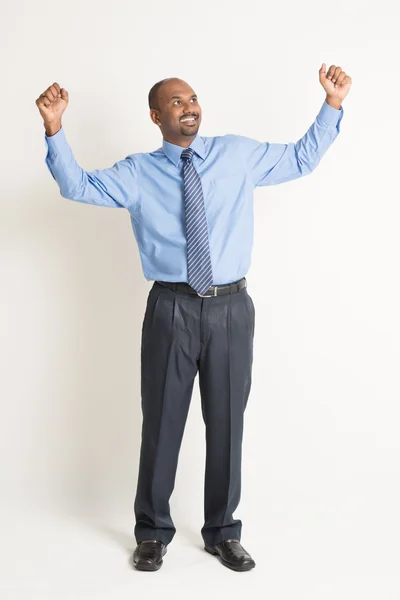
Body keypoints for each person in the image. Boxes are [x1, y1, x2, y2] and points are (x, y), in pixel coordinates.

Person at [35, 64, 352, 572]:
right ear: (157, 116)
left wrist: (331, 105)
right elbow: (77, 186)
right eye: (177, 102)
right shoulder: (138, 172)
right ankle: (153, 532)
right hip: (171, 307)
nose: (189, 106)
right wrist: (55, 128)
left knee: (227, 422)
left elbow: (301, 158)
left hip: (231, 307)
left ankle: (223, 531)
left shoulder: (237, 154)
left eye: (194, 98)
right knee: (162, 421)